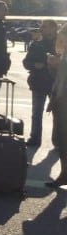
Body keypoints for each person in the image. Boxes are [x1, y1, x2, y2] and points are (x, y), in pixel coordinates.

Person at [23, 20, 58, 147]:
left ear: (54, 29)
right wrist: (34, 65)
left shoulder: (61, 44)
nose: (41, 29)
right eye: (41, 27)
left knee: (58, 115)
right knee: (36, 113)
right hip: (38, 83)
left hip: (56, 84)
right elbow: (26, 62)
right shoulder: (36, 45)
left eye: (45, 27)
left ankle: (57, 141)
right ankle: (35, 138)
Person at [46, 23, 67, 188]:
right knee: (62, 140)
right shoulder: (64, 55)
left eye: (61, 38)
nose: (58, 41)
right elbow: (59, 79)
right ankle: (64, 174)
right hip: (61, 101)